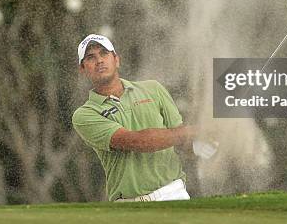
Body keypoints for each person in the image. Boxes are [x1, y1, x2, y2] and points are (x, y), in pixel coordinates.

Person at [72, 33, 198, 202]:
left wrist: (211, 140)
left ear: (116, 59)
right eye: (90, 57)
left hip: (173, 193)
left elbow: (184, 141)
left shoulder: (153, 89)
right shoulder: (85, 114)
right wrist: (196, 131)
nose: (99, 60)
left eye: (104, 53)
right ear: (83, 69)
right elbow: (137, 142)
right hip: (128, 204)